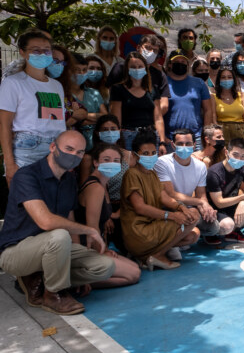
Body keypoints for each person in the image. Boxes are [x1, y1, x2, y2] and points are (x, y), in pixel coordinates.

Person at [0, 131, 115, 314]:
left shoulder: (69, 180)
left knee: (105, 266)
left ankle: (41, 280)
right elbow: (46, 222)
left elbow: (69, 219)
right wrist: (89, 230)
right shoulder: (27, 175)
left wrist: (79, 252)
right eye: (69, 149)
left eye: (79, 152)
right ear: (53, 147)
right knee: (59, 235)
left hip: (55, 247)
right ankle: (54, 294)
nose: (74, 155)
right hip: (16, 250)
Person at [120, 130, 201, 269]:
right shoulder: (132, 174)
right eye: (145, 153)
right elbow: (140, 207)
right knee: (192, 218)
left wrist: (181, 208)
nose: (150, 156)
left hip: (152, 225)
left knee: (192, 233)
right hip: (139, 231)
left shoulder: (151, 174)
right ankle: (157, 255)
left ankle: (146, 256)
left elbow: (164, 198)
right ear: (134, 155)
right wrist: (172, 216)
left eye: (153, 153)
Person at [0, 29, 67, 181]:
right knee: (26, 195)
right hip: (27, 150)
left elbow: (59, 122)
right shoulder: (13, 83)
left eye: (47, 50)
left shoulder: (57, 85)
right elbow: (4, 125)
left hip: (56, 149)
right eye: (36, 50)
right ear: (22, 52)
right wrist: (9, 164)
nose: (42, 54)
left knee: (53, 194)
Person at [76, 142, 141, 287]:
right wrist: (103, 251)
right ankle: (78, 281)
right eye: (106, 160)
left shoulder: (102, 184)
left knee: (135, 267)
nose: (111, 163)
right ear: (96, 162)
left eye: (116, 160)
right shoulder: (95, 188)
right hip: (85, 248)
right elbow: (92, 228)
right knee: (133, 275)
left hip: (94, 246)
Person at [154, 129, 221, 247]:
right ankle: (168, 244)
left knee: (213, 227)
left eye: (188, 143)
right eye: (180, 144)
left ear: (194, 145)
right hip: (167, 208)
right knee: (193, 233)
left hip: (188, 207)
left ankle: (177, 236)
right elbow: (171, 194)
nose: (184, 147)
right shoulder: (161, 162)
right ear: (173, 145)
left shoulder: (200, 166)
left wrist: (207, 208)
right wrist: (200, 202)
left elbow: (201, 195)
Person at [109, 52, 168, 150]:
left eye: (140, 66)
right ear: (127, 69)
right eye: (133, 67)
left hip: (150, 136)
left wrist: (162, 142)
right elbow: (116, 119)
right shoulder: (118, 89)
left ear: (145, 68)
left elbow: (158, 118)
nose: (137, 69)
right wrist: (117, 140)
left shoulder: (153, 90)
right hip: (128, 136)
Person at [206, 138, 244, 244]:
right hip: (215, 210)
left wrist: (243, 203)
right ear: (227, 152)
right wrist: (243, 197)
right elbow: (219, 203)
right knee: (227, 225)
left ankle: (233, 232)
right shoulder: (214, 172)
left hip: (232, 204)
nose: (239, 159)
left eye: (243, 156)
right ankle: (210, 232)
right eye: (235, 155)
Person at [79, 115, 134, 211]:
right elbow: (85, 189)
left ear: (119, 130)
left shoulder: (129, 156)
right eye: (105, 130)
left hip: (125, 206)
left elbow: (133, 188)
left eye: (113, 129)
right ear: (97, 133)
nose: (109, 133)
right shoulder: (88, 158)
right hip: (97, 206)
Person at [107, 35, 171, 114]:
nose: (151, 52)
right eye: (148, 48)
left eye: (155, 50)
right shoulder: (120, 68)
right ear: (138, 48)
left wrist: (148, 118)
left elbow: (164, 105)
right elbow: (110, 95)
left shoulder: (160, 75)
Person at [164, 51, 213, 145]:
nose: (180, 64)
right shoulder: (163, 83)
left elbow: (208, 110)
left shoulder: (199, 83)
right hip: (170, 138)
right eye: (176, 62)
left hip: (196, 137)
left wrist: (205, 134)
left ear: (187, 64)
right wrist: (163, 137)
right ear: (170, 64)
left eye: (183, 62)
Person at [70, 53, 108, 149]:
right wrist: (93, 117)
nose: (81, 73)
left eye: (84, 70)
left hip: (94, 144)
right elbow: (66, 120)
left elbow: (105, 116)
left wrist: (82, 115)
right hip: (72, 144)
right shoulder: (62, 93)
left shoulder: (93, 93)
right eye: (77, 70)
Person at [214, 66, 244, 141]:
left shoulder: (241, 95)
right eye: (223, 77)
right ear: (219, 80)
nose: (226, 80)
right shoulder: (213, 97)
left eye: (229, 77)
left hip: (239, 131)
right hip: (222, 132)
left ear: (234, 79)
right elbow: (214, 120)